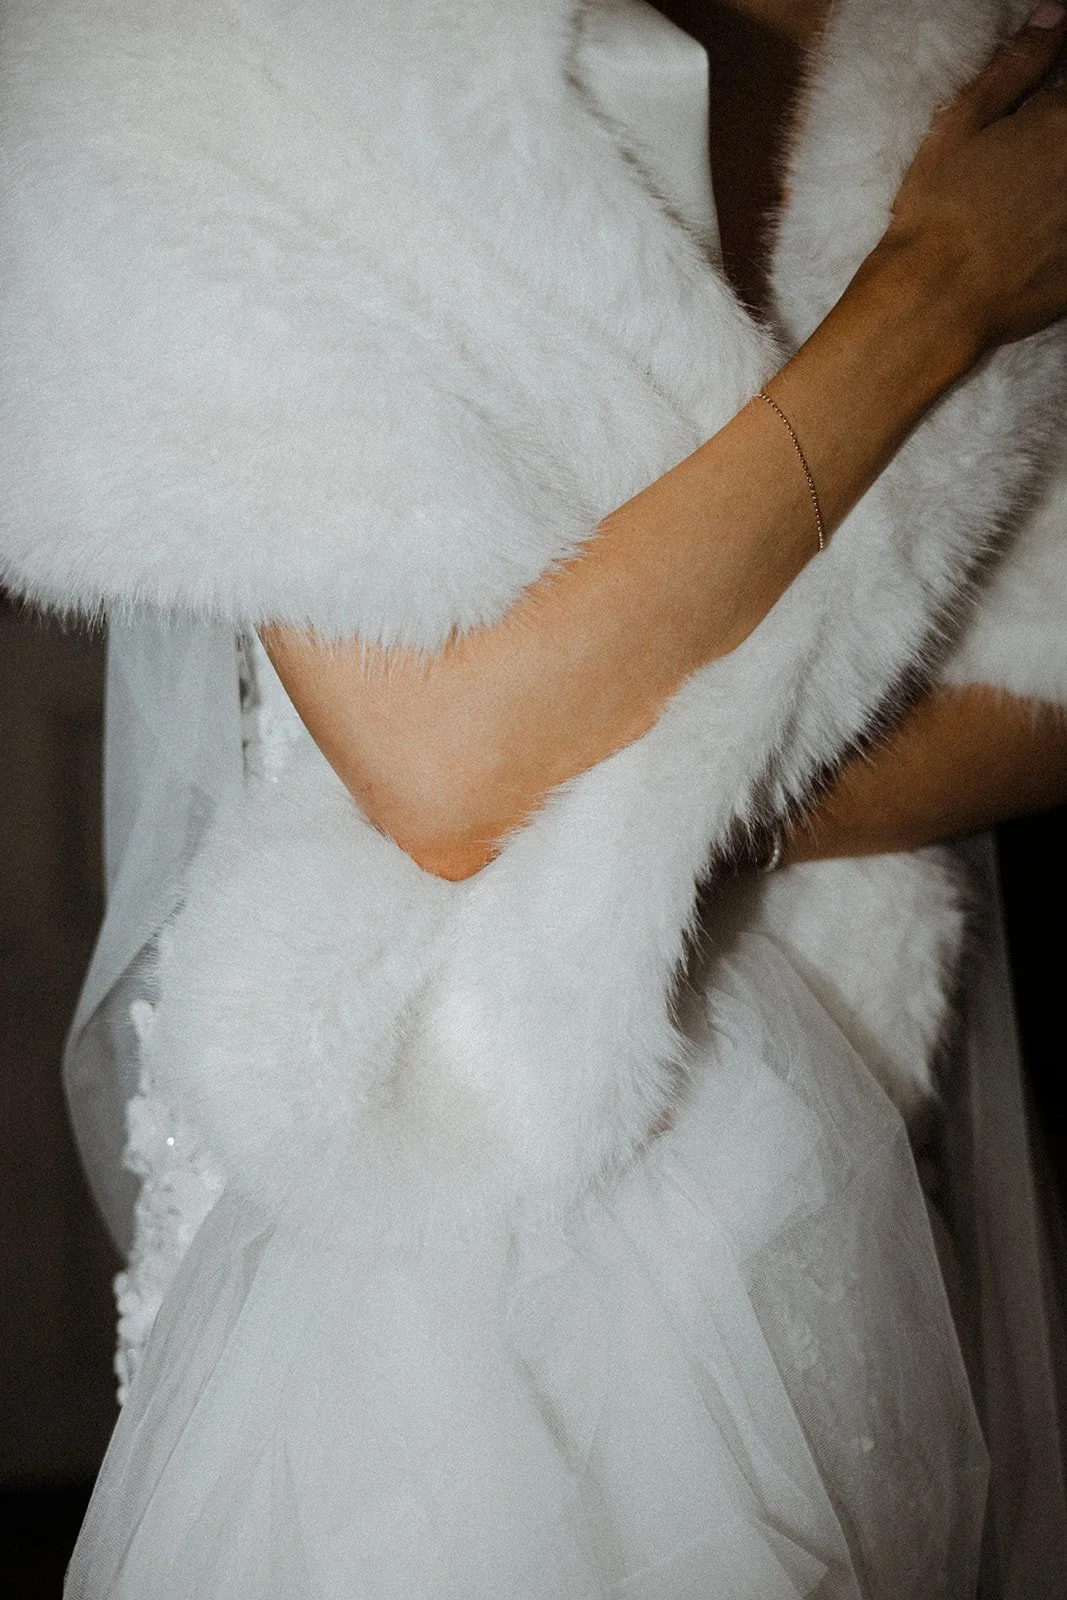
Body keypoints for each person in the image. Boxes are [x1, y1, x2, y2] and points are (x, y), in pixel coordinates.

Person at [3, 0, 1067, 1594]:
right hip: (438, 1175)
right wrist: (938, 293)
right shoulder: (204, 51)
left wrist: (620, 786)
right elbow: (444, 765)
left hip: (872, 1131)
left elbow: (1040, 697)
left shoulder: (973, 42)